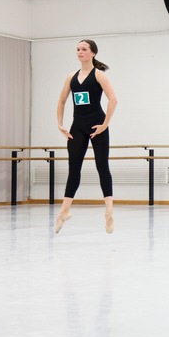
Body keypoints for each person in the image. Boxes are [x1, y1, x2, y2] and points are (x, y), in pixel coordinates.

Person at [55, 39, 118, 234]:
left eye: (84, 49)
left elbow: (113, 100)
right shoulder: (71, 77)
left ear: (93, 53)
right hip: (77, 127)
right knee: (74, 169)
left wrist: (105, 124)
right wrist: (60, 124)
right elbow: (61, 102)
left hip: (97, 126)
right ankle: (64, 211)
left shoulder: (98, 75)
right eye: (78, 49)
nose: (80, 52)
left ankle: (109, 211)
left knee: (102, 166)